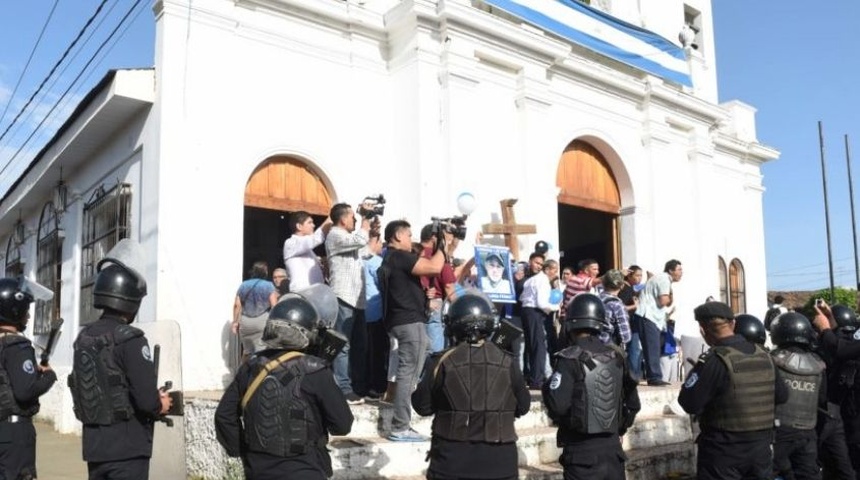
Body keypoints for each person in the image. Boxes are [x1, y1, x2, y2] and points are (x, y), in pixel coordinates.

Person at [215, 296, 354, 479]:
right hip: (305, 469)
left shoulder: (251, 367)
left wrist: (244, 452)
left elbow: (224, 415)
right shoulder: (316, 371)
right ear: (308, 334)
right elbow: (342, 425)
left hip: (258, 470)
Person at [68, 240, 172, 479]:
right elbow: (147, 402)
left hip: (95, 450)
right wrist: (161, 404)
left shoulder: (84, 337)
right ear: (131, 300)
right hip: (127, 452)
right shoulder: (131, 339)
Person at [412, 292, 530, 480]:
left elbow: (423, 407)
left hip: (451, 463)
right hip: (501, 464)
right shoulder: (508, 361)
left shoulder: (440, 361)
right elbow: (523, 407)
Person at [678, 301, 788, 480]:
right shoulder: (765, 355)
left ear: (702, 330)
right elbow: (782, 396)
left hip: (723, 452)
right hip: (761, 449)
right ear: (733, 324)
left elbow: (689, 403)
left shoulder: (713, 360)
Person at [542, 293, 640, 480]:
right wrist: (619, 429)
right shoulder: (618, 357)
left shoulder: (568, 358)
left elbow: (558, 405)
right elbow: (633, 404)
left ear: (571, 323)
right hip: (613, 452)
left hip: (581, 453)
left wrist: (548, 388)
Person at [378, 220, 445, 442]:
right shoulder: (399, 256)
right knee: (408, 372)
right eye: (408, 235)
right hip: (408, 322)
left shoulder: (390, 258)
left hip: (403, 321)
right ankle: (400, 426)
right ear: (397, 236)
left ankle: (402, 423)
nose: (411, 239)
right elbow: (435, 266)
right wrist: (441, 245)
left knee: (413, 365)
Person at [0, 278, 57, 480]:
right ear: (15, 310)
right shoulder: (17, 346)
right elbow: (25, 391)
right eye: (25, 309)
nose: (28, 315)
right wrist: (49, 376)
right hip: (15, 434)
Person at [769, 312, 825, 480]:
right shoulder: (819, 364)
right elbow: (822, 399)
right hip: (808, 432)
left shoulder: (772, 360)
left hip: (779, 432)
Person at [325, 203, 370, 404]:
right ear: (343, 219)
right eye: (353, 217)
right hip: (343, 296)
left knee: (359, 346)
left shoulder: (350, 240)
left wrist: (373, 229)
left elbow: (368, 250)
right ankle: (343, 388)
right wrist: (366, 220)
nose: (355, 220)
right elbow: (360, 239)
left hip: (358, 299)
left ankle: (357, 386)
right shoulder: (335, 235)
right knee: (342, 345)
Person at [812, 302, 860, 478]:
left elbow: (841, 350)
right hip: (848, 410)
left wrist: (824, 329)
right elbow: (847, 342)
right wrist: (832, 320)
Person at [635, 259, 683, 386]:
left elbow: (667, 300)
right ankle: (654, 377)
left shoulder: (663, 279)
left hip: (653, 318)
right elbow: (663, 301)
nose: (681, 272)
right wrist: (669, 297)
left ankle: (654, 376)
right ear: (671, 270)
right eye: (679, 269)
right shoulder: (664, 279)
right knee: (652, 347)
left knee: (654, 347)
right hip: (648, 316)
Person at [520, 258, 560, 389]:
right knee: (539, 347)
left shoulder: (531, 280)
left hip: (526, 312)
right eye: (555, 270)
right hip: (535, 312)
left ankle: (531, 376)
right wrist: (555, 307)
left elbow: (522, 298)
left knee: (531, 346)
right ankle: (536, 380)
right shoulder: (543, 281)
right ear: (547, 269)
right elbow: (542, 303)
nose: (556, 273)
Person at [419, 224, 457, 355]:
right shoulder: (438, 257)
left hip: (413, 303)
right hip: (434, 305)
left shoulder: (413, 253)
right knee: (434, 353)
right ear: (434, 238)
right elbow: (449, 288)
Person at [363, 232, 388, 398]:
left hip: (363, 312)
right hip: (377, 312)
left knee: (366, 351)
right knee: (378, 352)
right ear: (376, 241)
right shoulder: (377, 262)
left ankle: (366, 384)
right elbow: (385, 287)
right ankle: (378, 386)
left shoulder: (359, 261)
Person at [233, 261, 276, 356]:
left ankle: (243, 370)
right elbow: (274, 306)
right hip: (262, 321)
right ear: (265, 271)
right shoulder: (269, 285)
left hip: (245, 322)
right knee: (262, 352)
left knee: (247, 352)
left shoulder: (243, 285)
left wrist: (235, 322)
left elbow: (237, 305)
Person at [283, 211, 332, 292]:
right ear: (299, 226)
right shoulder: (290, 243)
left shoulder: (309, 251)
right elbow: (316, 238)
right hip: (302, 294)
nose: (313, 225)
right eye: (309, 222)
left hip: (314, 295)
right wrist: (333, 216)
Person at [618, 266, 643, 379]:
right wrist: (634, 306)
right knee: (634, 350)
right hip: (627, 324)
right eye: (637, 275)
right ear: (629, 276)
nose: (640, 278)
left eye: (641, 276)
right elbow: (620, 307)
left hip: (633, 323)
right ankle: (633, 376)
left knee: (636, 350)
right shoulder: (625, 289)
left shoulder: (632, 289)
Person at [597, 269, 631, 348]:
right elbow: (626, 336)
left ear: (603, 284)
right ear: (622, 286)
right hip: (609, 349)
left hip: (593, 345)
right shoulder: (617, 305)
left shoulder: (596, 299)